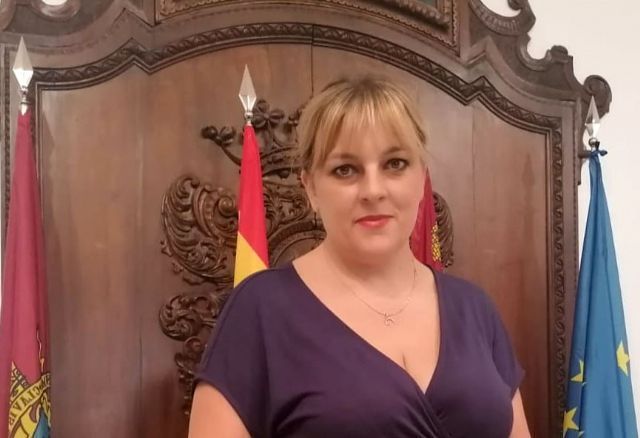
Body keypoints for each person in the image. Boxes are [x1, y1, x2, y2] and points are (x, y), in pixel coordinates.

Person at [188, 76, 531, 437]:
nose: (373, 190)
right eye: (345, 170)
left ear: (422, 178)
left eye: (395, 164)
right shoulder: (259, 308)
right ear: (311, 187)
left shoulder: (475, 309)